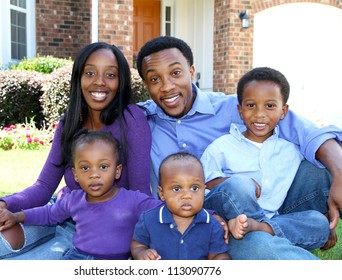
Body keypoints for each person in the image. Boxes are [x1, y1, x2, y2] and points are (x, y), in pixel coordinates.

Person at [136, 35, 342, 259]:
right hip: (207, 221)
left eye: (176, 73)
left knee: (320, 170)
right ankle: (270, 237)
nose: (167, 87)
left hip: (261, 208)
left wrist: (339, 175)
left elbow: (309, 134)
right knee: (254, 242)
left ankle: (265, 229)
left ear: (191, 71)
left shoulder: (240, 108)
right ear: (146, 85)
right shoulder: (139, 121)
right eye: (154, 79)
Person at [0, 42, 153, 260]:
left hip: (97, 232)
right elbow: (45, 185)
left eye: (110, 75)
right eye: (90, 73)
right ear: (79, 78)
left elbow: (141, 194)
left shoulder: (131, 119)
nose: (99, 82)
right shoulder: (69, 123)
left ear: (120, 81)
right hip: (57, 212)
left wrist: (138, 247)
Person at [200, 67, 329, 250]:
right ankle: (261, 233)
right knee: (240, 185)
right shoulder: (221, 146)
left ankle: (260, 229)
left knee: (319, 222)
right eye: (251, 105)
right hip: (232, 214)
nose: (259, 114)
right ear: (240, 110)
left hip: (273, 218)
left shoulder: (291, 150)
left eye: (270, 106)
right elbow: (203, 184)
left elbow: (320, 148)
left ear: (283, 111)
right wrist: (239, 182)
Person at [0, 130, 163, 260]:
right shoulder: (74, 200)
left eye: (103, 167)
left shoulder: (133, 200)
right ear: (76, 174)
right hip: (77, 259)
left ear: (117, 171)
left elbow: (163, 210)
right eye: (85, 168)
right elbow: (48, 214)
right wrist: (17, 216)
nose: (94, 174)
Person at [131, 152, 231, 260]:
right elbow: (137, 244)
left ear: (204, 190)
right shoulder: (148, 220)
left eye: (194, 188)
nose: (187, 196)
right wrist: (142, 253)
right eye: (177, 189)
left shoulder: (212, 224)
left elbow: (217, 255)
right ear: (162, 193)